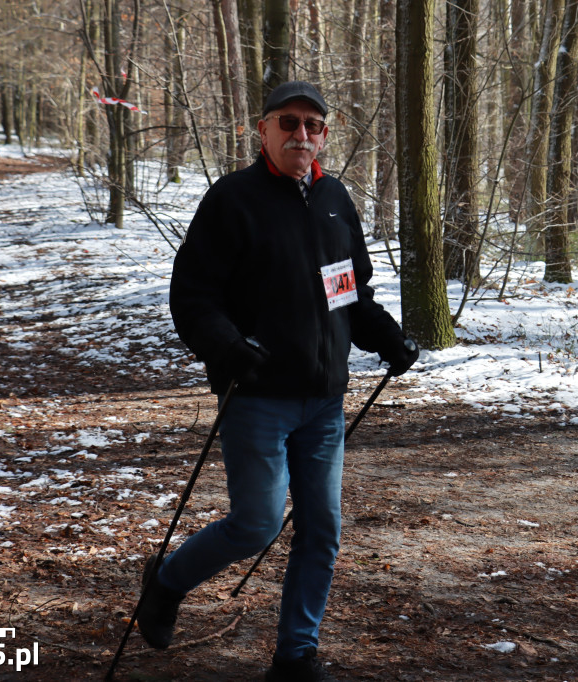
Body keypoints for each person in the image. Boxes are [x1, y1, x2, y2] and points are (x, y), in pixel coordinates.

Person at [138, 80, 419, 681]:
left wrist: (387, 336)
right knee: (258, 523)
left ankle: (296, 656)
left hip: (323, 401)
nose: (301, 135)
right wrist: (229, 349)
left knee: (321, 530)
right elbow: (193, 296)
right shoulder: (232, 200)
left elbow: (347, 295)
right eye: (288, 123)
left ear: (325, 134)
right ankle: (166, 583)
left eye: (313, 126)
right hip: (257, 396)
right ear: (262, 129)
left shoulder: (336, 200)